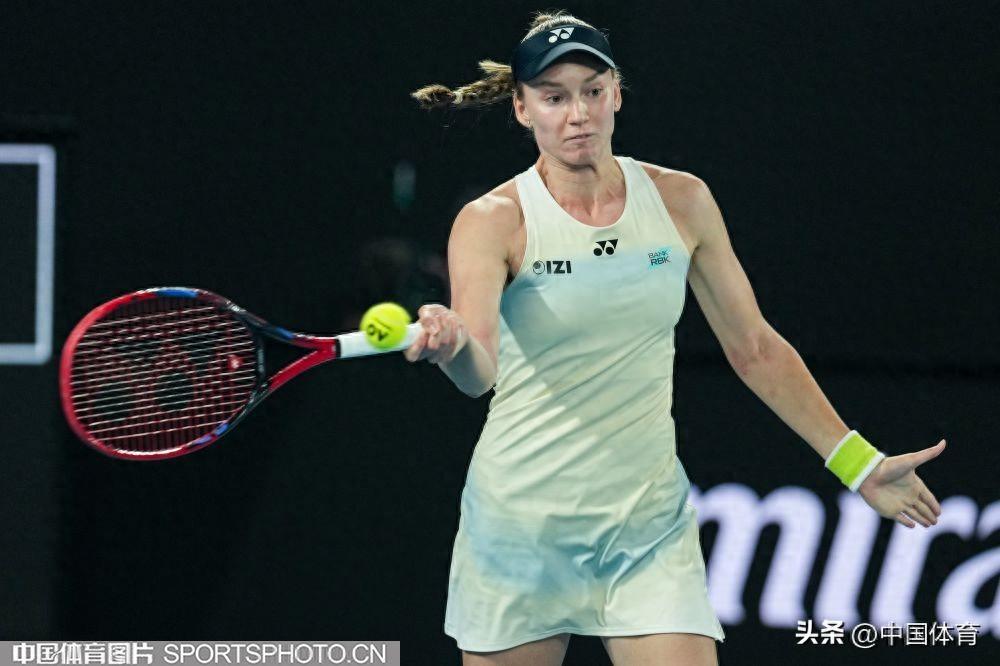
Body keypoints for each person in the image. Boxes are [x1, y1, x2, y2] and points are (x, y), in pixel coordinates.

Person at [406, 10, 946, 666]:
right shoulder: (493, 220)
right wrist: (452, 345)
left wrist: (858, 463)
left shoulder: (681, 200)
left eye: (592, 91)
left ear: (616, 94)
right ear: (522, 109)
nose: (578, 114)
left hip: (646, 526)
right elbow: (479, 373)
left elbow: (754, 347)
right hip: (522, 527)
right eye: (554, 97)